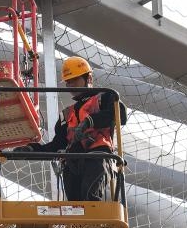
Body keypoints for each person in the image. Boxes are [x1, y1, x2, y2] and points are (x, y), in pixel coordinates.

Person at [18, 56, 126, 201]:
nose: (70, 86)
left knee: (90, 196)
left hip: (97, 157)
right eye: (68, 82)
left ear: (88, 78)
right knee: (75, 206)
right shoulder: (67, 115)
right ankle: (81, 225)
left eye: (74, 80)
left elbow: (120, 115)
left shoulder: (105, 97)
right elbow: (57, 145)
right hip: (72, 164)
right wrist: (32, 150)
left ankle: (92, 224)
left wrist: (90, 121)